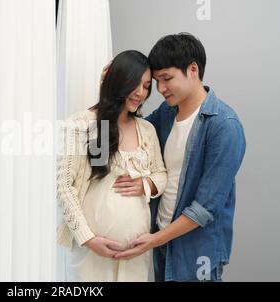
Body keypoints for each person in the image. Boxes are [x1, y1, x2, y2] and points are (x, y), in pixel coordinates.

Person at [111, 33, 246, 282]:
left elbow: (204, 209)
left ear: (193, 69)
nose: (160, 89)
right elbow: (131, 128)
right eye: (156, 81)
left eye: (167, 79)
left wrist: (154, 241)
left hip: (196, 252)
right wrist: (112, 86)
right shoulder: (166, 112)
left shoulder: (224, 126)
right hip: (163, 243)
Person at [56, 50, 167, 282]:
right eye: (134, 83)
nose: (140, 93)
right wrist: (88, 239)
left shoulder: (145, 130)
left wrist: (146, 184)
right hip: (92, 254)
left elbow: (161, 174)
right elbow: (65, 186)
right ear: (117, 81)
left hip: (135, 255)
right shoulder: (84, 124)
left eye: (146, 86)